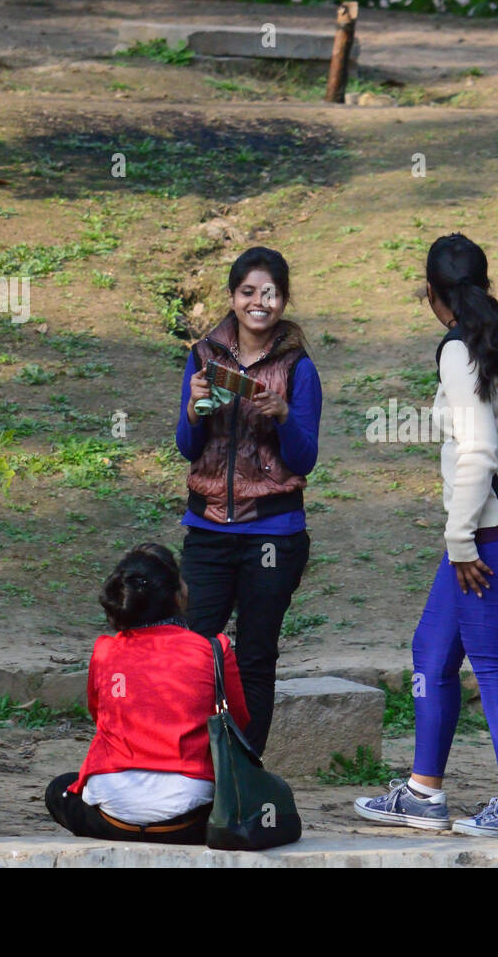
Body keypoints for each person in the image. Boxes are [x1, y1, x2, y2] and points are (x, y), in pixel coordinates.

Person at [353, 232, 498, 837]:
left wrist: (460, 540)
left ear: (432, 292)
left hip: (486, 536)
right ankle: (422, 792)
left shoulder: (462, 350)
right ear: (484, 285)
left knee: (492, 665)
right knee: (431, 652)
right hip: (484, 531)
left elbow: (480, 450)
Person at [175, 247, 322, 756]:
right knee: (192, 652)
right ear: (233, 297)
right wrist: (194, 411)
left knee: (256, 657)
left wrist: (283, 414)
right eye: (249, 292)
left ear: (283, 300)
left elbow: (304, 461)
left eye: (271, 293)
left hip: (273, 534)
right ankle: (188, 764)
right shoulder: (202, 356)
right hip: (209, 529)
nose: (260, 302)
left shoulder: (299, 368)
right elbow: (186, 448)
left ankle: (244, 765)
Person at [45, 543, 249, 844]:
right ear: (177, 596)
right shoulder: (214, 649)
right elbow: (239, 722)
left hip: (114, 815)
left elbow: (99, 714)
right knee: (246, 802)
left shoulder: (105, 651)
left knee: (59, 790)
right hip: (190, 814)